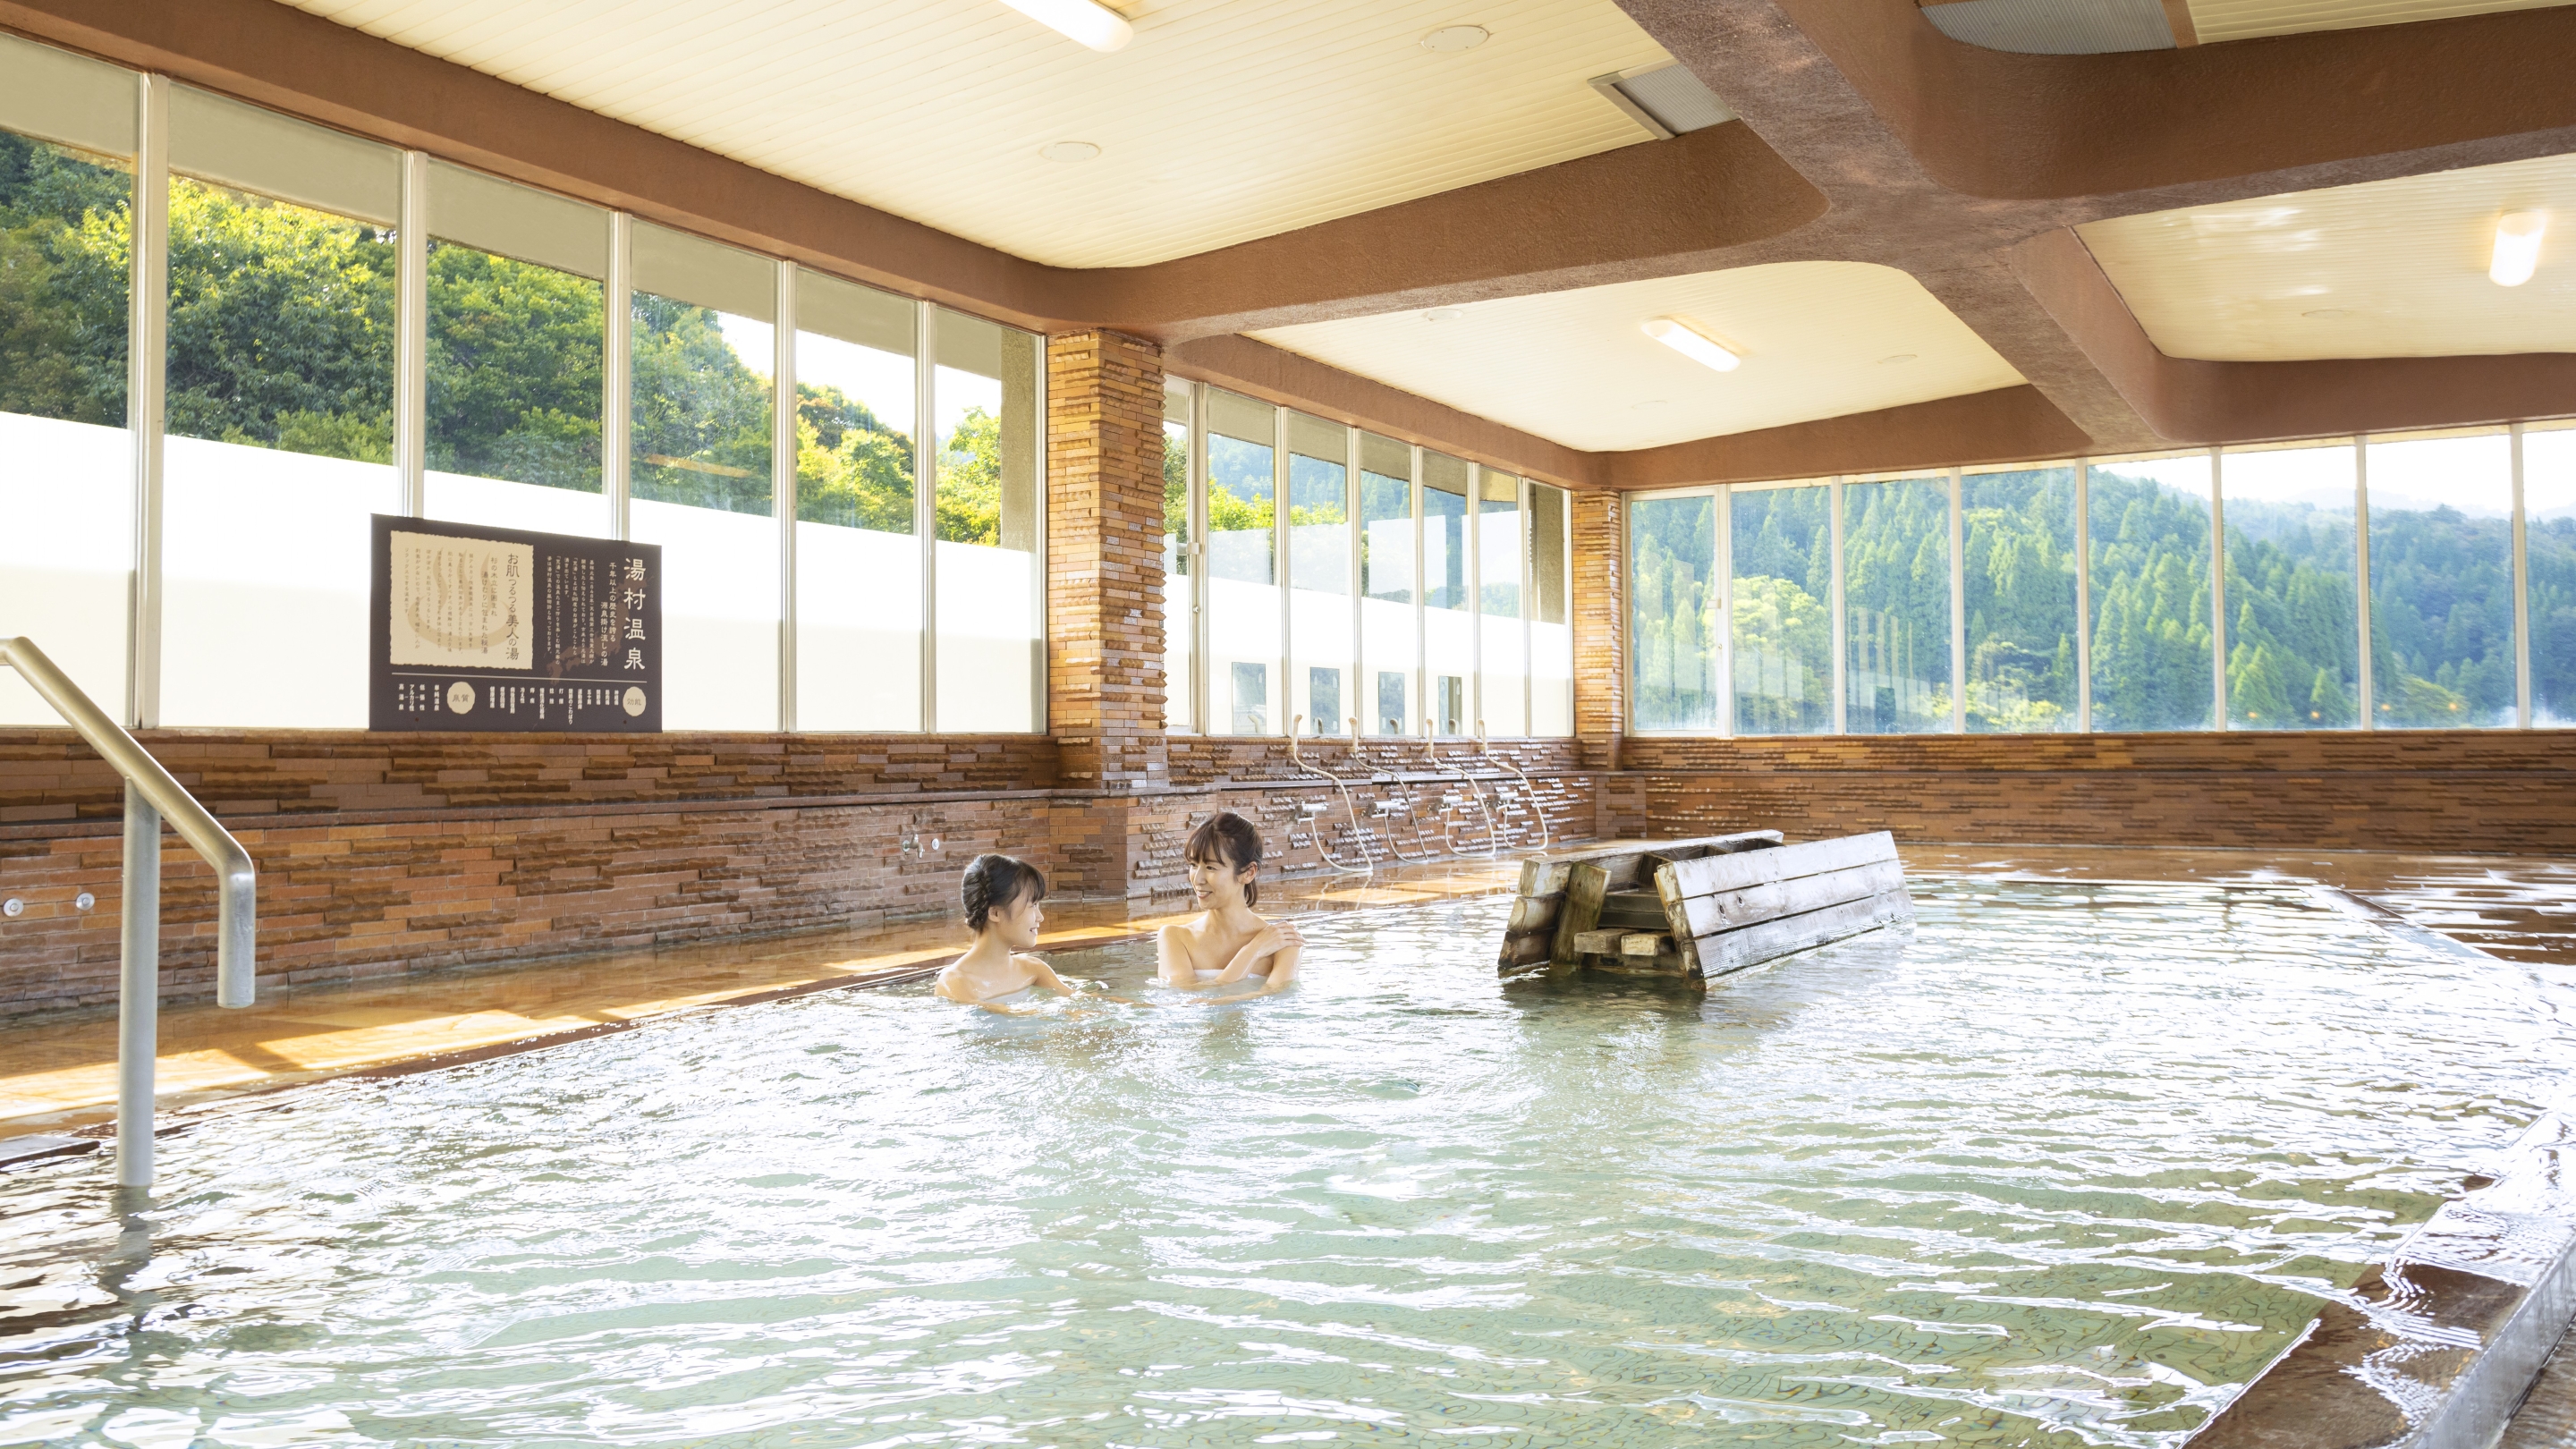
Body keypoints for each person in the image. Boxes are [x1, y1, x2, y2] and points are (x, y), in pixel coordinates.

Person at [1157, 812, 1305, 997]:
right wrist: (1253, 950)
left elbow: (1275, 1004)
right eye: (1194, 865)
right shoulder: (1175, 938)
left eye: (1211, 867)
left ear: (1249, 872)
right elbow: (1188, 1006)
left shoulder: (1284, 943)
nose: (1198, 878)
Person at [934, 854, 1073, 1008]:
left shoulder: (1034, 969)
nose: (1040, 917)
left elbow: (1078, 1001)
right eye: (1032, 905)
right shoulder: (955, 982)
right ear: (995, 913)